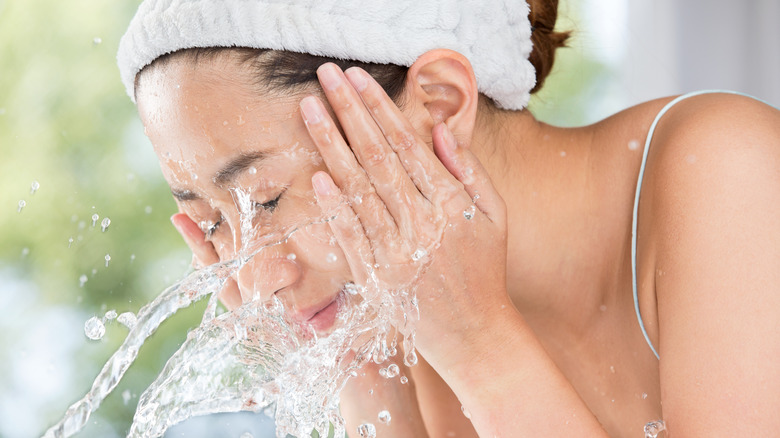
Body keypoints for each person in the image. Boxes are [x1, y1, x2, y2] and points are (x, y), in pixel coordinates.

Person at [118, 0, 780, 436]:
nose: (255, 278)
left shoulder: (725, 169)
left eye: (264, 199)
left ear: (436, 102)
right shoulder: (413, 333)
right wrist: (357, 369)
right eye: (212, 225)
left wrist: (484, 350)